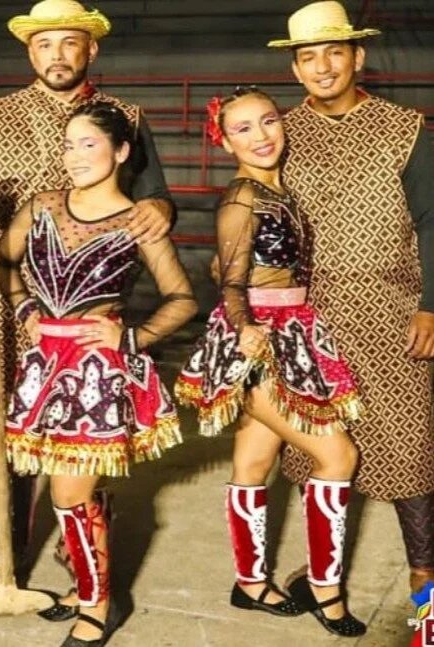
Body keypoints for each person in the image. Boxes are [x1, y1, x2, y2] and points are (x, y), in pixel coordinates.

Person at [0, 0, 175, 595]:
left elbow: (155, 195)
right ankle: (12, 551)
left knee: (85, 427)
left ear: (91, 49)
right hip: (13, 301)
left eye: (69, 43)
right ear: (29, 52)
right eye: (44, 44)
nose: (56, 55)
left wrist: (160, 205)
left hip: (89, 301)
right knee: (16, 432)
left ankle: (80, 534)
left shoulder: (125, 117)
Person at [0, 101, 195, 646]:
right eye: (69, 145)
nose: (75, 156)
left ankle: (97, 606)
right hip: (44, 367)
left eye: (89, 144)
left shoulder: (138, 222)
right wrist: (24, 310)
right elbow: (2, 261)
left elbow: (182, 299)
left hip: (95, 375)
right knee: (79, 490)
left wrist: (129, 338)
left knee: (67, 494)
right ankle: (86, 584)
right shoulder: (41, 205)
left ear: (122, 151)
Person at [178, 87, 365, 638]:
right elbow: (231, 282)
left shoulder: (275, 190)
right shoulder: (242, 197)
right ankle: (327, 591)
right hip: (259, 341)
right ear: (223, 140)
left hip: (291, 328)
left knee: (254, 462)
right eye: (243, 128)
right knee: (338, 456)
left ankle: (250, 582)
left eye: (267, 121)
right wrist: (246, 330)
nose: (261, 136)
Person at [268, 1, 434, 598]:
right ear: (296, 69)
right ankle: (325, 570)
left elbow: (432, 218)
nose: (323, 67)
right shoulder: (281, 134)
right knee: (318, 447)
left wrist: (432, 304)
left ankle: (425, 574)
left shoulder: (405, 128)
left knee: (409, 442)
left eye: (334, 53)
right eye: (309, 57)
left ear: (357, 57)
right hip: (310, 316)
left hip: (394, 310)